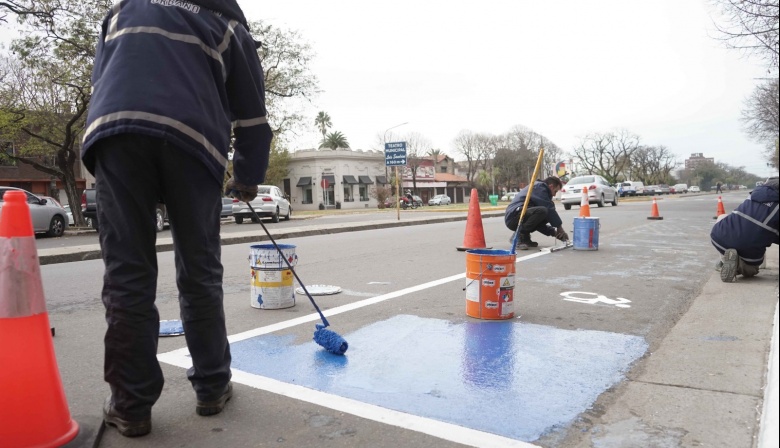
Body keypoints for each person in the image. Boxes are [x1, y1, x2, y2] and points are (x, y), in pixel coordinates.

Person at [81, 0, 272, 437]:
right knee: (200, 268)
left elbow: (104, 84)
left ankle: (130, 407)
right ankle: (211, 385)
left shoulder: (122, 12)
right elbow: (254, 119)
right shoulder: (228, 27)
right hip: (193, 141)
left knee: (127, 273)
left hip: (117, 132)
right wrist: (245, 179)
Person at [711, 177, 778, 283]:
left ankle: (724, 260)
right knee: (753, 270)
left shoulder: (753, 195)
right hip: (750, 251)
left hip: (719, 237)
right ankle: (738, 268)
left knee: (722, 216)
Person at [504, 176, 569, 250]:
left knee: (546, 214)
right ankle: (517, 236)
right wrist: (559, 227)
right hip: (513, 216)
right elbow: (548, 208)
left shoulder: (540, 190)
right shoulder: (539, 187)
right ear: (551, 186)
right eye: (555, 191)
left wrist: (554, 233)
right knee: (544, 211)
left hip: (520, 215)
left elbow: (537, 223)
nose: (554, 195)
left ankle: (525, 238)